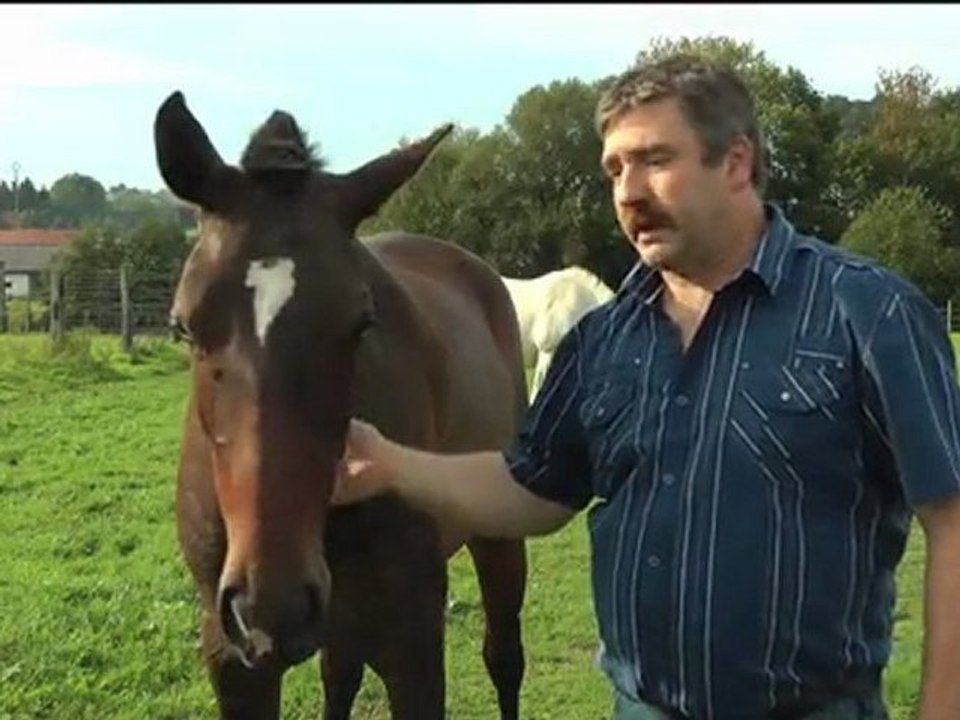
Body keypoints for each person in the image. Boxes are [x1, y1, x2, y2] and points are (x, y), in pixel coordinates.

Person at [332, 54, 960, 720]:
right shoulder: (602, 340)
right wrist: (391, 464)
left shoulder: (868, 314)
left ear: (736, 162)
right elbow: (535, 490)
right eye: (614, 169)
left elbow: (951, 519)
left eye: (655, 160)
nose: (628, 192)